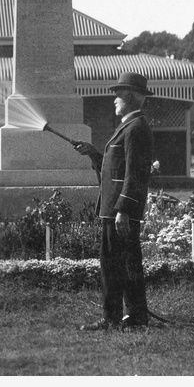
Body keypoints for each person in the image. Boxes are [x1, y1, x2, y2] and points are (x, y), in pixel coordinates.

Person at [73, 72, 154, 330]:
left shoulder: (136, 129)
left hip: (120, 211)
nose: (114, 100)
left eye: (118, 95)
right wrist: (95, 155)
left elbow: (135, 174)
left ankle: (124, 318)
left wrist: (123, 209)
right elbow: (117, 168)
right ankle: (125, 317)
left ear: (128, 96)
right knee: (118, 265)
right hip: (114, 210)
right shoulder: (129, 127)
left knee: (121, 266)